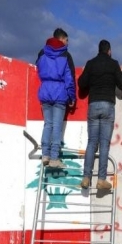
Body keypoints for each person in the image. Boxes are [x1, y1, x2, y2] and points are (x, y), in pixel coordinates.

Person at [78, 40, 122, 190]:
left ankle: (86, 177)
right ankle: (101, 179)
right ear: (109, 51)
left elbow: (81, 83)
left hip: (93, 105)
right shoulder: (113, 64)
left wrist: (87, 71)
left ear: (98, 50)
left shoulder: (90, 63)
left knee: (92, 142)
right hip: (107, 105)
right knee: (104, 144)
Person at [36, 28, 76, 168]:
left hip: (45, 91)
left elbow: (39, 70)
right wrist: (72, 97)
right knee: (57, 125)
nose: (67, 43)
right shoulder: (65, 55)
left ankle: (45, 154)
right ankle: (54, 158)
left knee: (48, 124)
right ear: (61, 39)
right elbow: (69, 79)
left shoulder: (42, 53)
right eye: (66, 40)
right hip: (59, 93)